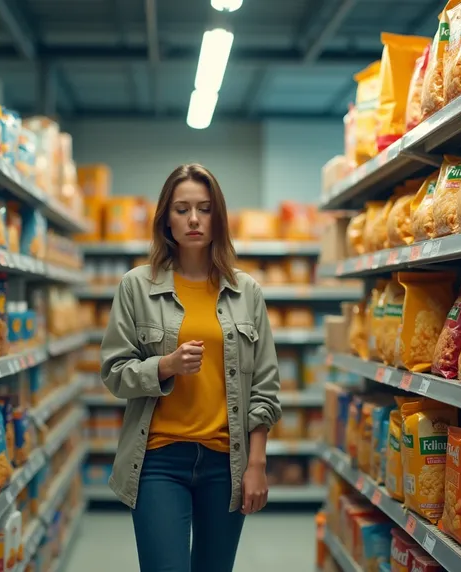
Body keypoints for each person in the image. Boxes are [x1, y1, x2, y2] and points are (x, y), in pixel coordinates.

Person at [99, 163, 282, 572]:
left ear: (219, 216)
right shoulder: (136, 286)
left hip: (227, 461)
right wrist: (164, 365)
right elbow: (114, 373)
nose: (194, 219)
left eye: (204, 208)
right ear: (166, 219)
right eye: (182, 209)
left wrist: (257, 464)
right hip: (158, 460)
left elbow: (265, 388)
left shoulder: (246, 291)